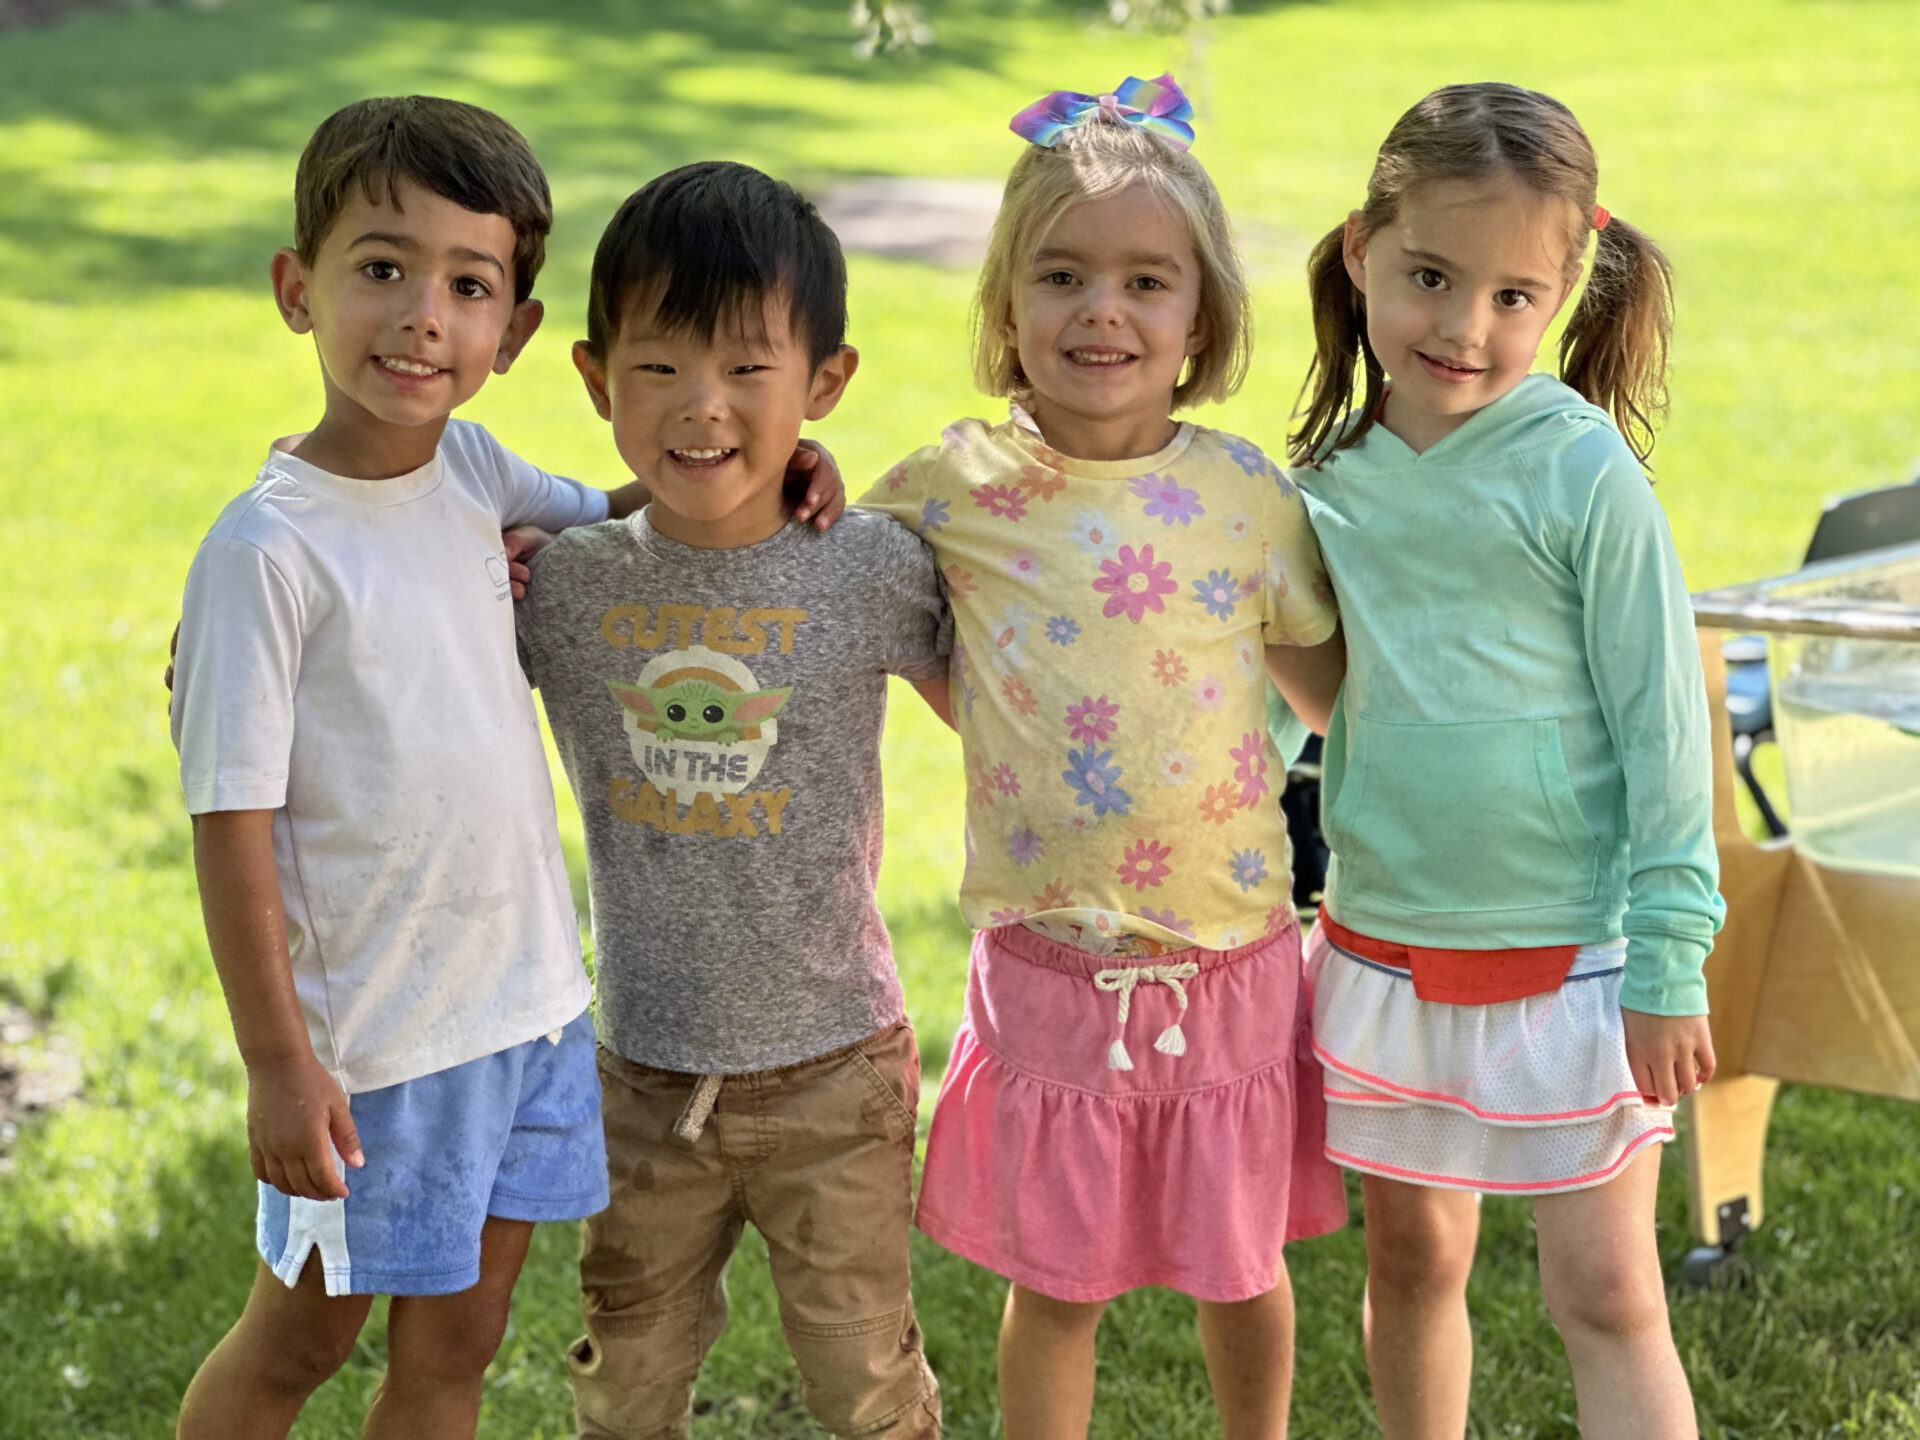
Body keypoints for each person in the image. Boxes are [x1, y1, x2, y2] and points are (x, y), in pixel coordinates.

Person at [165, 98, 844, 1440]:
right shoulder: (267, 554)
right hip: (369, 1048)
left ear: (514, 334)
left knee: (462, 1345)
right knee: (300, 1337)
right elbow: (228, 826)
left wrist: (769, 467)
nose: (424, 314)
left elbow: (632, 510)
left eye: (469, 285)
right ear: (298, 289)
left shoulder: (474, 468)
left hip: (521, 1014)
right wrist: (276, 1064)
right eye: (382, 268)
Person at [859, 76, 1348, 1439]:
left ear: (1202, 319)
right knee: (1053, 1284)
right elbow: (817, 564)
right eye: (1061, 275)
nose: (1103, 312)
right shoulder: (951, 488)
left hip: (1229, 957)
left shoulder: (1247, 496)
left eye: (1147, 281)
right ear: (1008, 306)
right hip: (1049, 966)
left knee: (1242, 1267)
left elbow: (1333, 699)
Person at [1288, 82, 1723, 1440]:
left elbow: (1666, 725)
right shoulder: (1327, 482)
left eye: (1512, 296)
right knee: (1415, 1264)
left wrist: (1669, 961)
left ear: (1568, 284)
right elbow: (1317, 694)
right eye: (1428, 277)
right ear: (1363, 248)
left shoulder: (1584, 475)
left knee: (1608, 1296)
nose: (1464, 329)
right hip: (1388, 943)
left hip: (1581, 960)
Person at [515, 161, 949, 1439]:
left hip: (835, 1073)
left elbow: (1008, 701)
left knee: (866, 1383)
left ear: (825, 385)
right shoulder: (561, 587)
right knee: (625, 1385)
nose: (702, 407)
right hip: (642, 1079)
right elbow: (394, 629)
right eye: (660, 368)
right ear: (597, 380)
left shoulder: (868, 564)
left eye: (749, 371)